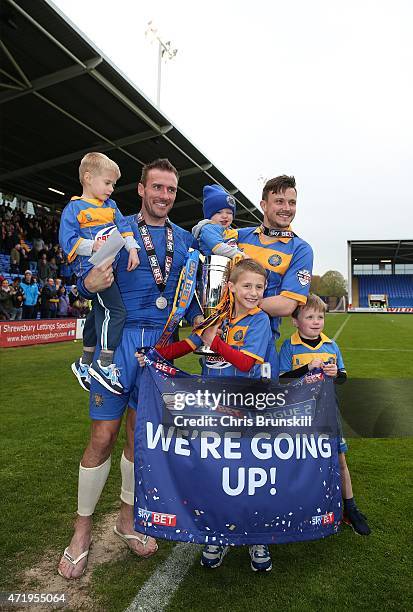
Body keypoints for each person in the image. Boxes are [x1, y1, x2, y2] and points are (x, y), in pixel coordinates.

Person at [57, 158, 203, 580]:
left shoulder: (185, 243)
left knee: (139, 440)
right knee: (101, 437)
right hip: (117, 344)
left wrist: (203, 325)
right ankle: (81, 531)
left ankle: (126, 520)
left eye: (171, 190)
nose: (164, 196)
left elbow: (188, 299)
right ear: (140, 189)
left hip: (160, 350)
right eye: (157, 187)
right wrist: (87, 285)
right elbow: (83, 277)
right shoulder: (115, 227)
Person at [136, 259, 274, 571]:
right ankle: (219, 535)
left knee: (249, 476)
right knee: (218, 473)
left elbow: (244, 364)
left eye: (259, 287)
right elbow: (188, 344)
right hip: (214, 408)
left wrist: (215, 341)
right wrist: (155, 355)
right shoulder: (219, 317)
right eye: (247, 285)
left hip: (247, 409)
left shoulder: (259, 320)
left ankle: (258, 537)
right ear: (231, 288)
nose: (253, 292)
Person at [279, 294, 371, 536]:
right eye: (310, 316)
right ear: (295, 321)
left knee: (340, 461)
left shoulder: (331, 345)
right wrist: (305, 369)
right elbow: (280, 380)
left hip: (328, 414)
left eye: (320, 316)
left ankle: (350, 508)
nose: (317, 321)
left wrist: (334, 373)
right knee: (298, 462)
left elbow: (343, 376)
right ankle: (300, 508)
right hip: (299, 417)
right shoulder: (290, 346)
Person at [59, 152, 139, 395]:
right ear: (87, 178)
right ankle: (105, 363)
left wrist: (132, 248)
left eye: (113, 184)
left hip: (108, 265)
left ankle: (84, 362)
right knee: (117, 311)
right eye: (107, 183)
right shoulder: (75, 208)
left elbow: (124, 227)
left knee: (98, 313)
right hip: (92, 269)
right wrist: (90, 245)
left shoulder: (111, 207)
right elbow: (67, 240)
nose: (112, 189)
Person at [235, 175, 314, 379]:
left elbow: (287, 305)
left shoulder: (301, 249)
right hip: (222, 339)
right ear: (263, 205)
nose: (286, 208)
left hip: (261, 344)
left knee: (258, 408)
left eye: (292, 203)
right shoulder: (238, 237)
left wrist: (234, 304)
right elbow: (202, 236)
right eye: (279, 201)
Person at [192, 184, 245, 258]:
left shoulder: (230, 231)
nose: (225, 216)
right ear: (209, 215)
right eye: (218, 212)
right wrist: (243, 256)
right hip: (211, 267)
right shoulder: (208, 228)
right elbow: (219, 248)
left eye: (229, 213)